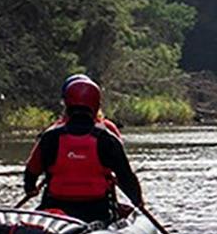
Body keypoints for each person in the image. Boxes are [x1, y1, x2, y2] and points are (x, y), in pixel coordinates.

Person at [23, 76, 143, 223]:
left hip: (55, 211)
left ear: (66, 104)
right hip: (97, 211)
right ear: (96, 105)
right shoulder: (108, 139)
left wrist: (30, 188)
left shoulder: (50, 137)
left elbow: (31, 172)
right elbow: (126, 177)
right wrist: (137, 201)